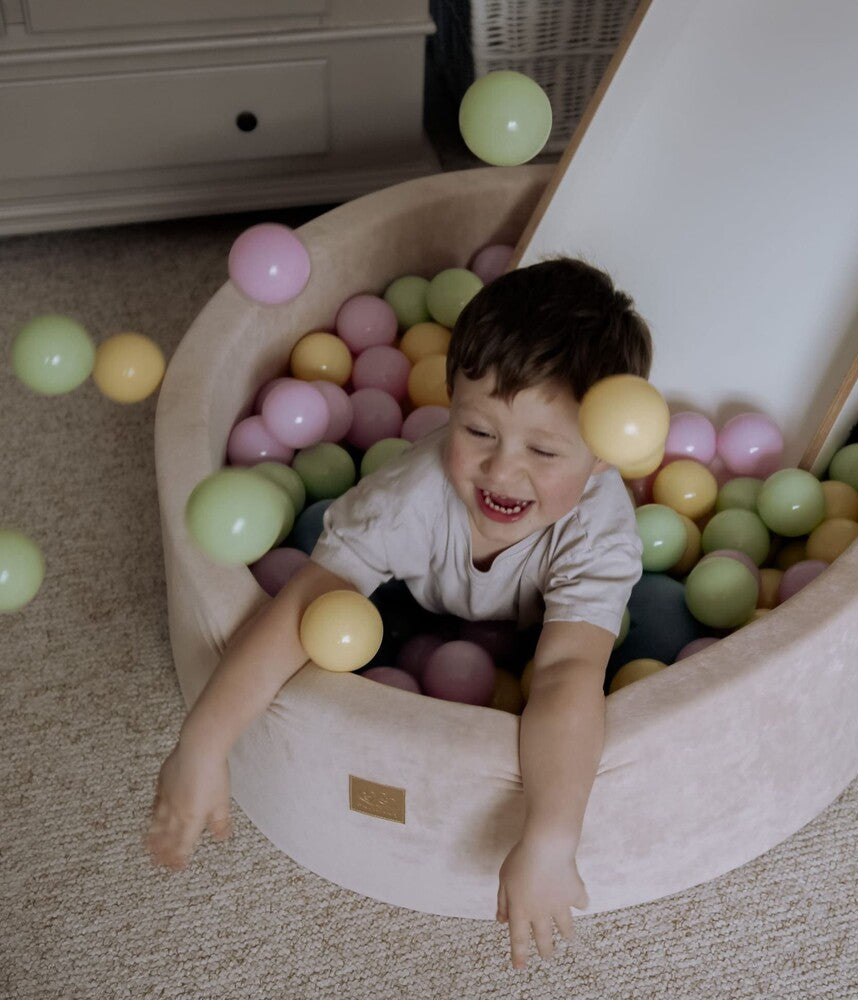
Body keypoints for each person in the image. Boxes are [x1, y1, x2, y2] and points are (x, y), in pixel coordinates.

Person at [147, 257, 653, 970]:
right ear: (449, 402)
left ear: (604, 456)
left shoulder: (600, 530)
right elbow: (302, 608)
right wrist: (202, 742)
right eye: (478, 432)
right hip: (411, 601)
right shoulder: (408, 499)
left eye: (544, 450)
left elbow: (569, 670)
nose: (503, 472)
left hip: (536, 625)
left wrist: (548, 836)